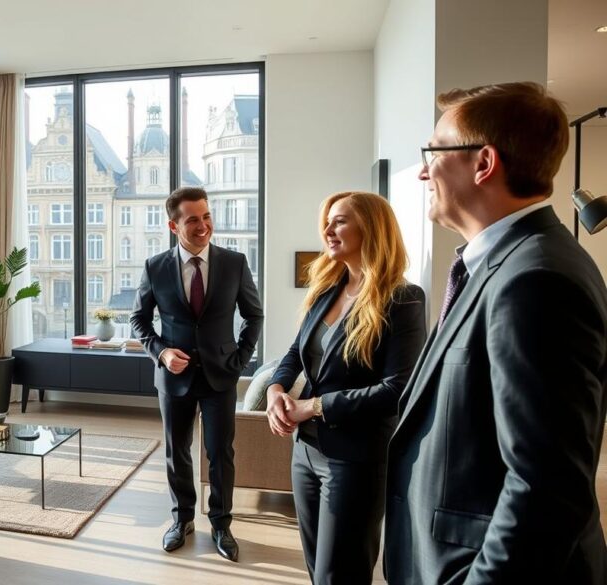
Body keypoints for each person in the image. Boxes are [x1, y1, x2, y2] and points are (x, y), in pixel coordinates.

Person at [385, 82, 607, 584]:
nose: (423, 171)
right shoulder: (503, 264)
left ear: (483, 163)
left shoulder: (536, 280)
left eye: (433, 153)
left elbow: (546, 487)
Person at [265, 191, 426, 584]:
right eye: (327, 221)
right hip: (304, 451)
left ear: (370, 228)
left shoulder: (403, 298)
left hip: (355, 460)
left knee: (341, 574)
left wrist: (314, 406)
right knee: (317, 569)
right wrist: (275, 390)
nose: (327, 230)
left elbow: (398, 389)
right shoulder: (326, 288)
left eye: (339, 221)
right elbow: (294, 352)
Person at [130, 186, 263, 562]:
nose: (203, 226)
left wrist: (240, 359)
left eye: (207, 217)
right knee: (177, 452)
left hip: (222, 374)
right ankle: (182, 519)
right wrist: (161, 352)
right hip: (174, 378)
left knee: (220, 453)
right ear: (174, 225)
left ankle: (221, 523)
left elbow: (255, 315)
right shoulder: (155, 267)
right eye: (193, 219)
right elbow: (138, 320)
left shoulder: (234, 263)